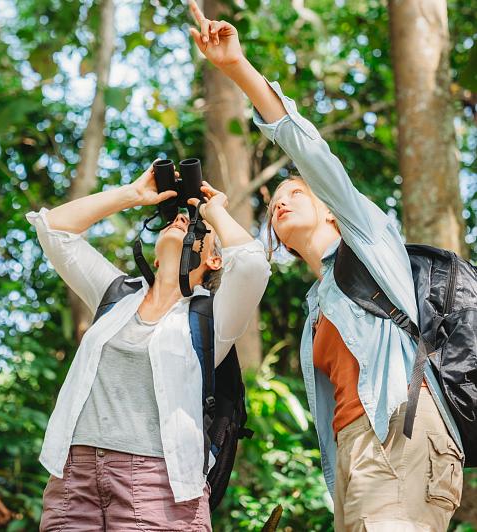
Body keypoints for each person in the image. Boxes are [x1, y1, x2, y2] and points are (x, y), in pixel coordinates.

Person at [188, 2, 464, 530]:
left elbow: (308, 149)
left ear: (331, 208)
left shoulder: (369, 241)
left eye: (296, 191)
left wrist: (236, 69)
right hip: (352, 451)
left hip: (400, 430)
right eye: (274, 203)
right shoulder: (317, 306)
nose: (280, 202)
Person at [25, 161, 270, 531]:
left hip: (159, 483)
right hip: (73, 477)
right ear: (154, 256)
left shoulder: (211, 318)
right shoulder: (115, 296)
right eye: (178, 219)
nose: (183, 222)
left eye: (196, 228)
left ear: (214, 259)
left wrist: (211, 210)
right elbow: (55, 229)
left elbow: (252, 265)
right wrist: (132, 195)